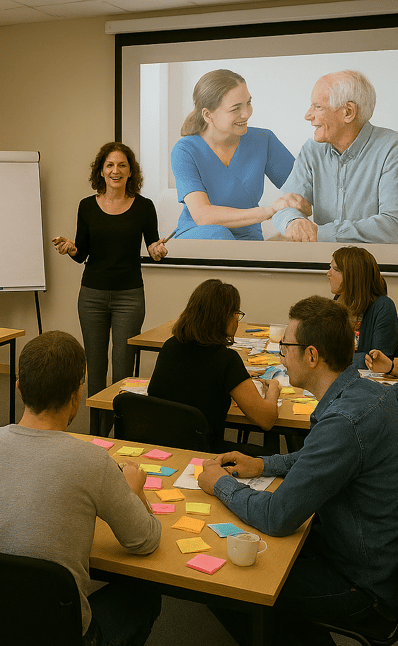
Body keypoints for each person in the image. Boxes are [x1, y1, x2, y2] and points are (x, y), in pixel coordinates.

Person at [198, 295, 398, 645]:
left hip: (366, 589)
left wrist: (219, 484)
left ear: (311, 355)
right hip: (371, 559)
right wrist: (262, 463)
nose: (280, 355)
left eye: (285, 347)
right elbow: (317, 457)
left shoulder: (344, 423)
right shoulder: (367, 393)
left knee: (227, 579)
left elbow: (278, 514)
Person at [0, 331, 161, 646]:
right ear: (77, 394)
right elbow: (144, 540)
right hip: (59, 635)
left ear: (19, 388)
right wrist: (134, 490)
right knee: (144, 591)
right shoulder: (92, 460)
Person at [52, 142, 167, 436]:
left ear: (131, 172)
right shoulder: (87, 206)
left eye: (122, 165)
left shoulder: (144, 206)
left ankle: (125, 433)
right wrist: (71, 248)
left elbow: (152, 245)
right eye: (110, 166)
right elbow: (82, 254)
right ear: (101, 171)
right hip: (91, 295)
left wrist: (157, 250)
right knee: (96, 368)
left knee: (123, 370)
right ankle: (97, 435)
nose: (115, 171)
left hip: (129, 296)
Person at [148, 279, 280, 450]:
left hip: (161, 448)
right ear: (222, 317)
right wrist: (273, 391)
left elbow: (195, 379)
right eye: (235, 313)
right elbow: (266, 420)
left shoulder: (170, 346)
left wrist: (239, 375)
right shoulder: (226, 360)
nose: (237, 319)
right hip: (206, 454)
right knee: (272, 455)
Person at [271, 70, 398, 243]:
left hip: (374, 266)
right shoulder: (312, 150)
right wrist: (295, 221)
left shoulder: (392, 148)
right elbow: (284, 206)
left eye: (318, 107)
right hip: (323, 263)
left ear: (348, 112)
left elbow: (393, 226)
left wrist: (320, 233)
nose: (308, 115)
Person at [171, 69, 295, 241]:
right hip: (199, 235)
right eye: (236, 108)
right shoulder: (185, 150)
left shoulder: (263, 140)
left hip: (248, 239)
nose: (246, 113)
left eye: (248, 103)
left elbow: (304, 189)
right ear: (208, 115)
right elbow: (203, 215)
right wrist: (270, 210)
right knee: (219, 235)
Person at [327, 246, 397, 368]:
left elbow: (379, 360)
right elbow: (324, 352)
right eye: (330, 268)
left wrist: (335, 358)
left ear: (352, 276)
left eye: (335, 269)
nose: (328, 274)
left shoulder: (383, 307)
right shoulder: (338, 302)